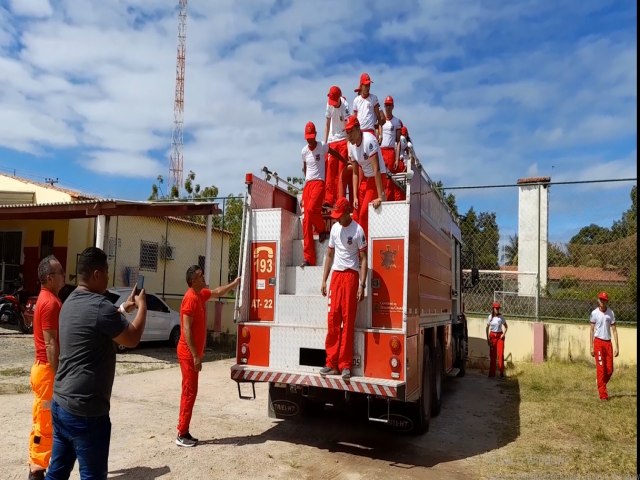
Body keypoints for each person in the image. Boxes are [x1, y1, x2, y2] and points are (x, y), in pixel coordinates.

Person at [45, 247, 147, 480]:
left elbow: (96, 320)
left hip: (61, 403)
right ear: (97, 274)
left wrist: (123, 308)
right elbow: (132, 338)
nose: (109, 278)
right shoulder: (100, 306)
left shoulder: (70, 301)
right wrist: (142, 307)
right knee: (92, 475)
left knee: (57, 472)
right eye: (107, 273)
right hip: (86, 411)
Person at [176, 267, 241, 447]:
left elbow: (216, 291)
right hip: (188, 354)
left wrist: (234, 284)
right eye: (199, 276)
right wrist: (196, 355)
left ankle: (184, 431)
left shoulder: (200, 294)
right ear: (192, 281)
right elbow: (186, 329)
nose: (203, 277)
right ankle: (181, 433)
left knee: (190, 391)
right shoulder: (190, 298)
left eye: (202, 274)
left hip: (191, 353)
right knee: (189, 392)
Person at [320, 197, 368, 381]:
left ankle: (345, 365)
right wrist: (324, 280)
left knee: (347, 322)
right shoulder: (334, 228)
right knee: (333, 319)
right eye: (336, 215)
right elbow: (329, 254)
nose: (337, 218)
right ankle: (331, 363)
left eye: (340, 215)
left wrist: (362, 285)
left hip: (351, 277)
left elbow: (363, 259)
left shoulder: (358, 230)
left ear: (348, 212)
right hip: (336, 277)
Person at [28, 256, 66, 480]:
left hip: (43, 370)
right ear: (50, 278)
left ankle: (38, 465)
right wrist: (60, 374)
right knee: (44, 422)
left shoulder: (47, 298)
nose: (64, 274)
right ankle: (36, 471)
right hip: (47, 371)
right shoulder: (50, 303)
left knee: (42, 420)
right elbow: (51, 343)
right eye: (60, 271)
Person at [300, 121, 346, 267]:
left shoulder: (322, 146)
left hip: (319, 183)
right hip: (308, 184)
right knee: (306, 221)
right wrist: (305, 182)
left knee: (311, 209)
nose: (310, 140)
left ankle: (321, 229)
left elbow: (333, 153)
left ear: (316, 135)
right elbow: (305, 167)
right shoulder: (304, 151)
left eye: (312, 137)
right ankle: (309, 258)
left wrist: (345, 161)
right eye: (308, 137)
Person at [345, 114, 386, 239]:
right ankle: (356, 248)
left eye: (351, 131)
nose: (349, 135)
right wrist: (355, 196)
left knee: (363, 214)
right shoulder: (351, 146)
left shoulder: (369, 140)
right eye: (347, 132)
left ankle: (365, 248)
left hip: (378, 177)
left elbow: (376, 169)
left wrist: (380, 196)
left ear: (358, 129)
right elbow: (355, 173)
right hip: (366, 179)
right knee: (356, 214)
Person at [324, 85, 352, 208]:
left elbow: (348, 127)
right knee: (331, 169)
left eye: (335, 101)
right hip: (332, 140)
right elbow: (327, 123)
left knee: (341, 170)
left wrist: (349, 146)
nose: (333, 104)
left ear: (340, 97)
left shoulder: (345, 106)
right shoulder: (329, 104)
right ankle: (329, 199)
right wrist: (325, 143)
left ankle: (340, 200)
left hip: (343, 140)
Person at [590, 291, 619, 401]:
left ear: (607, 301)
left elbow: (614, 330)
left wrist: (617, 346)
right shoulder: (594, 313)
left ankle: (600, 381)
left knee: (609, 370)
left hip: (608, 343)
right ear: (598, 300)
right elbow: (591, 330)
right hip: (598, 343)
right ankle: (603, 395)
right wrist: (591, 346)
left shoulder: (610, 313)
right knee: (601, 369)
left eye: (604, 300)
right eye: (601, 299)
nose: (602, 302)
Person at [379, 95, 405, 201]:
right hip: (381, 150)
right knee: (381, 176)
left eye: (389, 105)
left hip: (390, 151)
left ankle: (388, 201)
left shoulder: (396, 121)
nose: (388, 107)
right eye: (386, 105)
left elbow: (398, 141)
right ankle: (381, 197)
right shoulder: (380, 120)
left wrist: (396, 158)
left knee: (389, 179)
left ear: (393, 106)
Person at [352, 72, 385, 139]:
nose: (368, 87)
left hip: (370, 132)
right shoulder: (356, 100)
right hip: (359, 133)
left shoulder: (374, 98)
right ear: (361, 86)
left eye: (369, 85)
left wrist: (380, 134)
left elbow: (380, 118)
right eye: (366, 85)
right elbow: (354, 119)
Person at [486, 301, 508, 378]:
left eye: (498, 308)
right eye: (496, 308)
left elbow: (506, 327)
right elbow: (487, 327)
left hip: (499, 337)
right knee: (493, 355)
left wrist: (503, 334)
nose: (497, 310)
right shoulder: (490, 317)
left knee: (500, 354)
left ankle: (501, 373)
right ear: (493, 308)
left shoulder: (501, 317)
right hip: (492, 337)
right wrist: (488, 338)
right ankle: (492, 374)